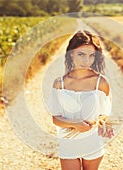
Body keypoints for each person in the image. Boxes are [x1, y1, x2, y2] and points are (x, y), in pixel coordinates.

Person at [47, 30, 114, 170]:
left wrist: (102, 121)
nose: (86, 61)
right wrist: (75, 124)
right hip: (68, 141)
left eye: (91, 56)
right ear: (71, 53)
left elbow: (104, 113)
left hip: (92, 142)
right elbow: (55, 119)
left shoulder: (101, 83)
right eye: (81, 54)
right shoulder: (60, 83)